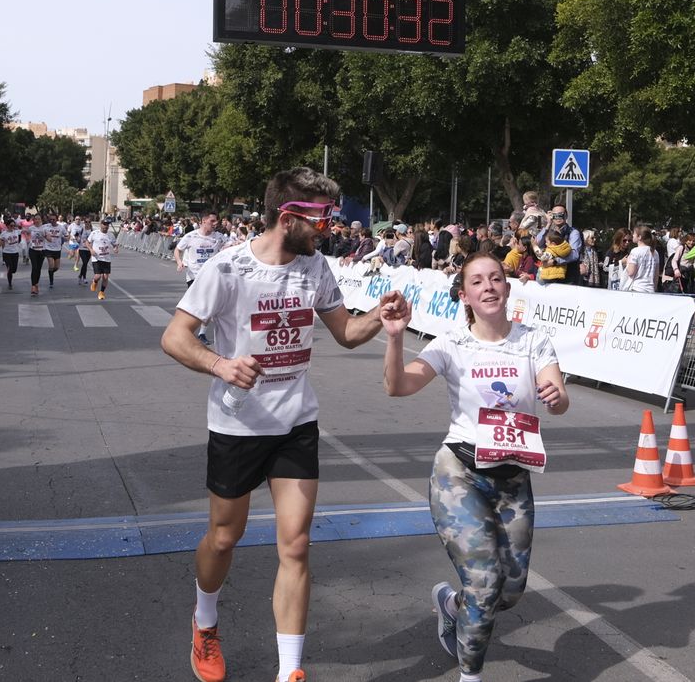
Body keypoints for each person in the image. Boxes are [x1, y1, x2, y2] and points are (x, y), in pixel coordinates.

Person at [159, 168, 389, 682]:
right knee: (224, 537)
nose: (329, 227)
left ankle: (290, 672)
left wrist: (381, 315)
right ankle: (205, 622)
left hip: (295, 422)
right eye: (321, 217)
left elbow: (347, 332)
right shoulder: (228, 268)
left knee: (297, 543)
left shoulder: (315, 267)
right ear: (287, 217)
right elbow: (175, 336)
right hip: (238, 424)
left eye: (331, 216)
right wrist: (220, 365)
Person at [380, 253, 568, 682]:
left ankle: (450, 605)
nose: (489, 287)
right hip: (459, 475)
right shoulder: (450, 343)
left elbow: (558, 395)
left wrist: (555, 397)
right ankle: (471, 676)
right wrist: (394, 337)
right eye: (478, 282)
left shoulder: (533, 340)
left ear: (506, 287)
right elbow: (398, 385)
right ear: (464, 295)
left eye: (496, 279)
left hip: (514, 477)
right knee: (484, 585)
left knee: (511, 591)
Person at [621, 226, 659, 294]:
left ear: (639, 237)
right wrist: (655, 287)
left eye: (634, 234)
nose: (632, 235)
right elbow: (656, 274)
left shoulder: (635, 251)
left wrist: (627, 262)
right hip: (650, 289)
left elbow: (631, 272)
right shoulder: (655, 252)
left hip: (637, 288)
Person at [88, 219, 116, 300]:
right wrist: (91, 250)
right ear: (101, 224)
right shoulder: (94, 233)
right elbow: (87, 242)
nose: (105, 226)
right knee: (98, 276)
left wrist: (115, 248)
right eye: (104, 224)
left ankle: (101, 292)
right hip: (96, 258)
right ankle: (94, 282)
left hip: (106, 258)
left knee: (105, 277)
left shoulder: (111, 235)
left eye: (107, 224)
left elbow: (115, 244)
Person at [0, 217, 23, 291]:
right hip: (7, 253)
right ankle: (10, 283)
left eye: (14, 225)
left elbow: (23, 231)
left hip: (15, 253)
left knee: (14, 270)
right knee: (10, 268)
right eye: (11, 226)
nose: (13, 227)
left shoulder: (16, 231)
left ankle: (10, 273)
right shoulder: (4, 233)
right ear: (7, 226)